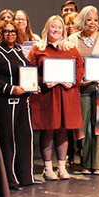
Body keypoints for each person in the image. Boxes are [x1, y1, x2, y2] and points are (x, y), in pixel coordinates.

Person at [28, 15, 85, 180]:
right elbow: (29, 71)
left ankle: (61, 167)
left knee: (63, 131)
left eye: (59, 28)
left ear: (64, 30)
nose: (56, 30)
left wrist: (73, 81)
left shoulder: (70, 48)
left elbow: (80, 68)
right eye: (53, 27)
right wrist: (43, 81)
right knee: (48, 131)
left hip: (67, 95)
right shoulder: (38, 49)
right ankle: (48, 168)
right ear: (47, 28)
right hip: (47, 96)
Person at [0, 19, 35, 188]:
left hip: (23, 102)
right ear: (0, 33)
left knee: (25, 138)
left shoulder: (19, 50)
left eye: (13, 31)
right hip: (7, 102)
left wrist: (33, 86)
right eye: (6, 31)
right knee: (9, 140)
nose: (10, 34)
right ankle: (10, 179)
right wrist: (10, 89)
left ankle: (26, 177)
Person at [69, 6, 99, 175]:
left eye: (95, 20)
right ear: (83, 20)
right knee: (84, 126)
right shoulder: (72, 39)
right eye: (89, 19)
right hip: (81, 89)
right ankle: (86, 162)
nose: (92, 23)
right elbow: (69, 65)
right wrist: (79, 81)